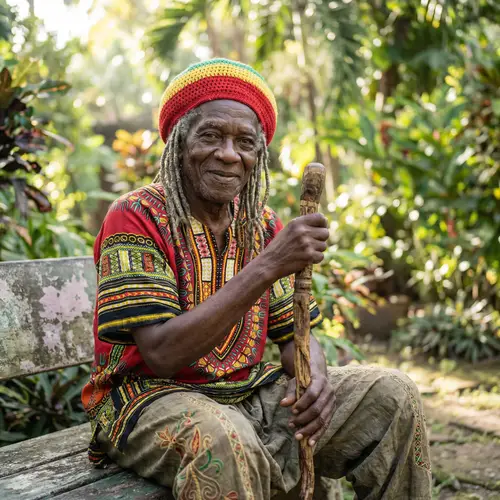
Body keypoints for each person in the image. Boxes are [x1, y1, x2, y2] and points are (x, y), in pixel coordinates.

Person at [82, 58, 432, 500]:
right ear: (178, 142)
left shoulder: (261, 225)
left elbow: (293, 334)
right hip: (146, 401)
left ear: (257, 156)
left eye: (245, 142)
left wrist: (315, 381)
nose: (229, 154)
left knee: (392, 394)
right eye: (211, 136)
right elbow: (162, 353)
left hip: (248, 396)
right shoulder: (136, 216)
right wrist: (268, 265)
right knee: (222, 441)